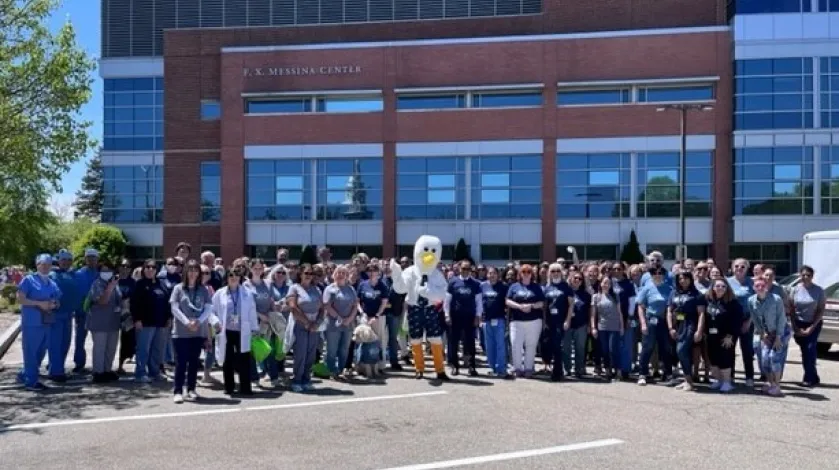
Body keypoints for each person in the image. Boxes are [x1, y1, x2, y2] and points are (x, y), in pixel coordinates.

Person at [210, 265, 259, 396]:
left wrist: (255, 328)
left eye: (237, 275)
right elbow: (211, 311)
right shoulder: (219, 293)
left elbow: (252, 311)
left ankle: (245, 388)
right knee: (228, 360)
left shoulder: (247, 293)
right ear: (227, 277)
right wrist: (215, 322)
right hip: (226, 331)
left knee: (244, 359)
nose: (234, 277)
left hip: (242, 331)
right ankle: (229, 387)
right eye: (231, 275)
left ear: (240, 277)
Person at [169, 260, 213, 403]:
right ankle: (178, 391)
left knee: (194, 362)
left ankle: (191, 389)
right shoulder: (178, 288)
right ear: (185, 271)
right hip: (181, 332)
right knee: (181, 363)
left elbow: (208, 308)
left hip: (197, 331)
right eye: (190, 269)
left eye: (196, 270)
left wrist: (198, 321)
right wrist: (187, 322)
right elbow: (174, 308)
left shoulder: (203, 290)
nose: (193, 273)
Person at [17, 254, 61, 391]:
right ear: (37, 265)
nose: (46, 267)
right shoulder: (28, 280)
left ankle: (25, 374)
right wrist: (39, 304)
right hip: (32, 323)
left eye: (48, 264)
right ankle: (31, 382)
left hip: (46, 321)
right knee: (31, 351)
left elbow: (57, 299)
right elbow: (21, 299)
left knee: (41, 352)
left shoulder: (51, 282)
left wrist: (55, 304)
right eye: (43, 264)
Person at [131, 260, 171, 383]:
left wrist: (169, 318)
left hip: (160, 323)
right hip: (145, 323)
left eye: (153, 267)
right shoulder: (140, 284)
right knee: (143, 349)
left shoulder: (161, 284)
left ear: (156, 270)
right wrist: (137, 319)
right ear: (143, 269)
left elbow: (167, 302)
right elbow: (134, 304)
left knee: (157, 350)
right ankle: (140, 373)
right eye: (147, 267)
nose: (150, 269)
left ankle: (155, 372)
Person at [286, 263, 324, 392]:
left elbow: (322, 308)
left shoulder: (317, 289)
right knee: (300, 353)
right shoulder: (294, 288)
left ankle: (306, 379)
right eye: (306, 273)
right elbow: (292, 307)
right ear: (300, 274)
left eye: (311, 274)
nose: (309, 276)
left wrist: (317, 322)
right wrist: (307, 322)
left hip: (314, 325)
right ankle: (297, 380)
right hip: (300, 323)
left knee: (311, 354)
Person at [667, 272, 706, 391]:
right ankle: (686, 379)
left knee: (681, 350)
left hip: (690, 325)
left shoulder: (697, 294)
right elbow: (669, 311)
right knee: (680, 352)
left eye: (685, 278)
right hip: (677, 324)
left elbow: (701, 314)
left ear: (690, 279)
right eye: (680, 278)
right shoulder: (673, 293)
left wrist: (699, 330)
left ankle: (689, 380)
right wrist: (670, 328)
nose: (683, 280)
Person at [505, 264, 546, 378]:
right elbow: (507, 301)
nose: (526, 274)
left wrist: (531, 306)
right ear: (520, 274)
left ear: (532, 274)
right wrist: (519, 306)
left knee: (531, 346)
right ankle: (517, 368)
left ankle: (528, 368)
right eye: (524, 272)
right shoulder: (514, 286)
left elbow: (542, 303)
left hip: (534, 321)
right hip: (516, 321)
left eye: (529, 272)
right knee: (515, 345)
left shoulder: (536, 287)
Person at [636, 267, 674, 386]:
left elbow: (672, 307)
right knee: (647, 347)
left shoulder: (669, 289)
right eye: (654, 273)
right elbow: (641, 307)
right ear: (651, 275)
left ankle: (668, 373)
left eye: (660, 273)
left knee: (666, 348)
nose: (657, 275)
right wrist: (643, 323)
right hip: (650, 321)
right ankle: (642, 374)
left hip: (664, 322)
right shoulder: (646, 288)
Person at [86, 262, 123, 384]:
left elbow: (119, 300)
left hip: (113, 321)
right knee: (100, 348)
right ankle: (98, 372)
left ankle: (107, 370)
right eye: (104, 270)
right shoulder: (97, 284)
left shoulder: (114, 284)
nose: (106, 273)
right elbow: (102, 301)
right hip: (99, 322)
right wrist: (110, 288)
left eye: (109, 270)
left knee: (111, 348)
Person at [749, 278, 787, 396]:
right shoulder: (751, 300)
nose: (760, 288)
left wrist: (778, 337)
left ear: (766, 287)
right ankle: (771, 383)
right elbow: (755, 318)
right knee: (764, 359)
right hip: (766, 333)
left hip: (781, 332)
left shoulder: (776, 299)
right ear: (753, 287)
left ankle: (777, 385)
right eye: (757, 286)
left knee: (774, 358)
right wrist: (761, 332)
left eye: (762, 285)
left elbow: (781, 318)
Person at [444, 260, 482, 376]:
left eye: (468, 269)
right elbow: (447, 301)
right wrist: (447, 315)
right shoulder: (452, 282)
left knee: (470, 343)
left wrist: (478, 316)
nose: (465, 271)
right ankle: (455, 366)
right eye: (463, 268)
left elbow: (479, 302)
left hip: (470, 317)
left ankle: (471, 366)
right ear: (459, 269)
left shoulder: (476, 284)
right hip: (455, 317)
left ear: (471, 270)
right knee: (453, 342)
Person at [705, 278, 743, 392]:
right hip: (711, 335)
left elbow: (737, 321)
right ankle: (718, 380)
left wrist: (730, 335)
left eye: (723, 286)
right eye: (717, 286)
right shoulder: (708, 300)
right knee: (713, 358)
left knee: (725, 357)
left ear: (727, 288)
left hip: (727, 336)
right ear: (712, 288)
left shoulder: (733, 303)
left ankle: (727, 382)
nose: (720, 288)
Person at [790, 265, 825, 387]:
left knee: (810, 349)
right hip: (799, 323)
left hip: (813, 323)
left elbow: (821, 310)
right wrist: (795, 326)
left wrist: (812, 327)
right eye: (803, 275)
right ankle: (814, 376)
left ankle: (808, 378)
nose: (805, 277)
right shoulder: (795, 290)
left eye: (808, 275)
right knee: (806, 351)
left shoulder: (818, 290)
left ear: (812, 276)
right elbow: (791, 309)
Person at [47, 249, 78, 382]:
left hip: (68, 314)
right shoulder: (52, 275)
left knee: (65, 343)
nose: (66, 262)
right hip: (55, 315)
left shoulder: (72, 274)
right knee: (55, 344)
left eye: (69, 260)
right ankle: (56, 372)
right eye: (63, 260)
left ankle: (57, 367)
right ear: (59, 261)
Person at [322, 265, 358, 379]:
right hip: (333, 324)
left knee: (344, 349)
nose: (340, 275)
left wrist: (349, 319)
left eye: (343, 273)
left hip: (348, 324)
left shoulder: (351, 289)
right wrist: (339, 318)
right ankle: (331, 370)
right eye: (338, 272)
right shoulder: (329, 289)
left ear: (347, 276)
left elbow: (355, 305)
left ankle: (340, 369)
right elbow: (327, 306)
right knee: (332, 349)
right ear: (334, 274)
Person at [727, 258, 755, 387]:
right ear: (732, 268)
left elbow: (757, 304)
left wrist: (749, 321)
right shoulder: (727, 282)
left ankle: (749, 376)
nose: (739, 268)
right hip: (731, 321)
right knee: (730, 349)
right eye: (736, 266)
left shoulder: (753, 283)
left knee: (747, 350)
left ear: (747, 269)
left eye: (742, 266)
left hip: (747, 320)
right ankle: (730, 376)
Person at [591, 277, 624, 382]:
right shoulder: (596, 297)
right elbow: (593, 314)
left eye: (608, 283)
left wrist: (622, 326)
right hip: (602, 327)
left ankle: (618, 371)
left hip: (614, 327)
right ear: (600, 284)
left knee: (613, 349)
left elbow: (620, 313)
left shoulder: (615, 296)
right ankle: (608, 371)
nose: (606, 285)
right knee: (604, 350)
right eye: (604, 283)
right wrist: (593, 327)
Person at [72, 248, 100, 374]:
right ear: (85, 259)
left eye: (93, 258)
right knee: (79, 340)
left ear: (97, 259)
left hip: (98, 313)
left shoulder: (100, 274)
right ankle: (79, 364)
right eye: (89, 257)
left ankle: (98, 365)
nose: (91, 260)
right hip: (81, 313)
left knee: (98, 341)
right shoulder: (78, 274)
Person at [356, 265, 389, 369]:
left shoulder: (382, 285)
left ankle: (379, 366)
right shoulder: (362, 284)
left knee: (378, 341)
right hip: (365, 316)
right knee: (363, 342)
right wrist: (362, 312)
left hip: (378, 317)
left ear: (378, 272)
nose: (371, 273)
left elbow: (384, 303)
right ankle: (362, 366)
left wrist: (376, 316)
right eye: (369, 271)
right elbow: (357, 302)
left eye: (374, 271)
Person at [544, 263, 573, 382]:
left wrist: (567, 320)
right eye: (553, 271)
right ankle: (551, 367)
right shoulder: (547, 287)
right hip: (549, 322)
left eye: (557, 271)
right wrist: (544, 321)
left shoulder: (566, 287)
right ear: (549, 273)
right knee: (549, 346)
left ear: (561, 273)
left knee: (557, 346)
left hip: (560, 321)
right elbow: (545, 306)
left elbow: (571, 305)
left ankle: (558, 372)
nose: (555, 273)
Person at [480, 266, 510, 378]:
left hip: (500, 320)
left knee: (500, 345)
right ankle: (493, 368)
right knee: (489, 346)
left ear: (498, 275)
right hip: (486, 321)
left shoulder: (503, 287)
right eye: (489, 273)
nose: (491, 275)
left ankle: (501, 369)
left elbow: (507, 303)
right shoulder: (482, 286)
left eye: (494, 273)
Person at [116, 259, 137, 375]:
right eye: (122, 266)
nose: (125, 268)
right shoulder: (113, 280)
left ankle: (121, 365)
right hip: (112, 315)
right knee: (112, 341)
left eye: (128, 266)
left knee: (126, 341)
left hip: (128, 315)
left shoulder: (133, 282)